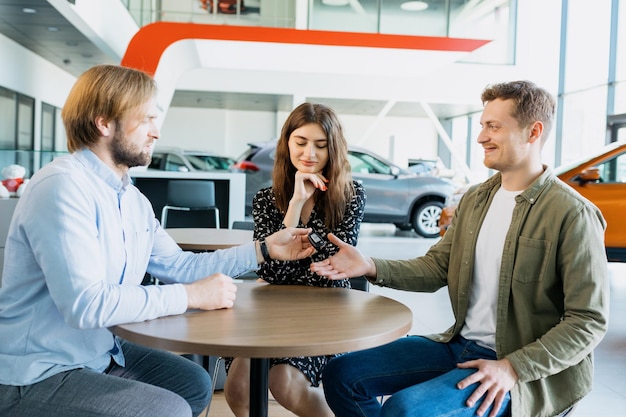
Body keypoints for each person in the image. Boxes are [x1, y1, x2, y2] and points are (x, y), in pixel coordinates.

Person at [0, 64, 316, 417]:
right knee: (167, 410)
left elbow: (180, 265)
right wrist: (191, 296)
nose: (156, 132)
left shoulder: (130, 197)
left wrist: (264, 249)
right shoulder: (62, 187)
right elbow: (86, 305)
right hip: (36, 371)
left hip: (98, 352)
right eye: (147, 119)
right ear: (104, 123)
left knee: (193, 385)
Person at [310, 81, 610, 417]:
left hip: (520, 369)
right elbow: (437, 267)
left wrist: (512, 368)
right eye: (482, 125)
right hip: (460, 344)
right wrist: (368, 265)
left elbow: (588, 321)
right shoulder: (476, 199)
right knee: (341, 375)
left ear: (533, 132)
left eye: (493, 127)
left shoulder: (572, 213)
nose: (481, 137)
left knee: (404, 410)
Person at [224, 102, 367, 417]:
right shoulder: (266, 198)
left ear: (334, 150)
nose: (309, 154)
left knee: (285, 382)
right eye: (300, 143)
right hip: (269, 306)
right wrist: (296, 203)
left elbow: (336, 261)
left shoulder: (350, 195)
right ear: (286, 143)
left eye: (320, 146)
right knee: (238, 387)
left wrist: (306, 239)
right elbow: (270, 267)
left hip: (325, 306)